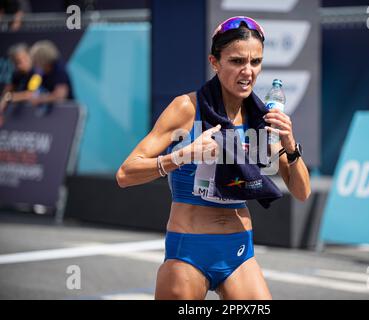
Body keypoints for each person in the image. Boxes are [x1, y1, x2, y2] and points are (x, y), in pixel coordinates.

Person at [116, 16, 311, 300]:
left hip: (239, 253)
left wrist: (289, 144)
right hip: (189, 252)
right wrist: (182, 156)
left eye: (255, 62)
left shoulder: (262, 119)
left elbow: (301, 192)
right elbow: (125, 174)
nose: (248, 72)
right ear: (214, 62)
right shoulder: (186, 108)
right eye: (236, 61)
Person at [0, 42, 36, 126]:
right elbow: (6, 92)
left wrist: (9, 97)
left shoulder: (37, 72)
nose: (19, 65)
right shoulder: (17, 74)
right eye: (16, 62)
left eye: (24, 59)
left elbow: (31, 94)